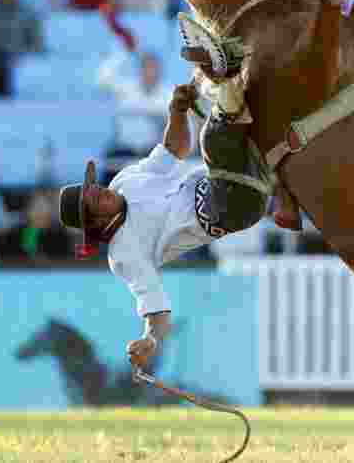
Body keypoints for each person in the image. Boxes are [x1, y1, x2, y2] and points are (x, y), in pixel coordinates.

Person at [57, 82, 272, 369]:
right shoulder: (123, 255)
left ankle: (288, 200)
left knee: (264, 117)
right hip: (222, 209)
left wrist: (176, 111)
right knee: (214, 133)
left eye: (94, 187)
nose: (101, 189)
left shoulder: (122, 181)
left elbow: (174, 150)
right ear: (95, 222)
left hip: (222, 180)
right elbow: (155, 306)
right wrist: (151, 341)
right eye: (94, 197)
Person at [0, 190, 70, 260]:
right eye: (36, 209)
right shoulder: (18, 234)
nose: (39, 215)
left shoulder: (59, 235)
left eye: (43, 211)